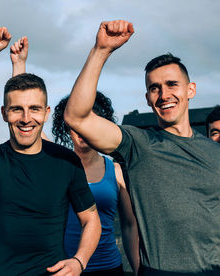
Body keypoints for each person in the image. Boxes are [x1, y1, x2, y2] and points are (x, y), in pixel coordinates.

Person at [64, 20, 220, 275]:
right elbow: (76, 117)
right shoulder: (138, 145)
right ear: (148, 98)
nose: (164, 94)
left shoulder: (215, 153)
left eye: (172, 84)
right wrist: (101, 51)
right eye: (154, 88)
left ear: (190, 90)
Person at [0, 26, 101, 276]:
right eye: (16, 109)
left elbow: (91, 219)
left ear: (46, 113)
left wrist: (79, 261)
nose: (26, 118)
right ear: (4, 113)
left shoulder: (65, 160)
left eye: (35, 109)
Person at [52, 94, 139, 275]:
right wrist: (19, 66)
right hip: (66, 269)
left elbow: (130, 225)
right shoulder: (57, 167)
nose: (82, 129)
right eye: (78, 122)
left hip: (110, 268)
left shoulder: (115, 170)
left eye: (89, 121)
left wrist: (139, 269)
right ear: (68, 125)